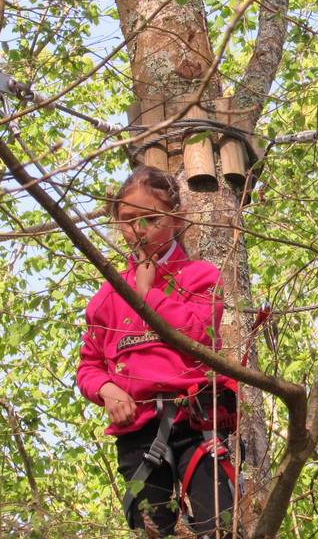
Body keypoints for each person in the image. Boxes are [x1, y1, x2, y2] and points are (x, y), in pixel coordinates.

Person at [77, 166, 240, 538]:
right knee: (151, 529)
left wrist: (149, 295)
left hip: (196, 422)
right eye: (129, 220)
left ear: (177, 218)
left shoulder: (199, 276)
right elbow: (89, 365)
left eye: (151, 218)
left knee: (218, 526)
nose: (140, 229)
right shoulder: (106, 298)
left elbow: (201, 333)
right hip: (137, 430)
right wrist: (107, 389)